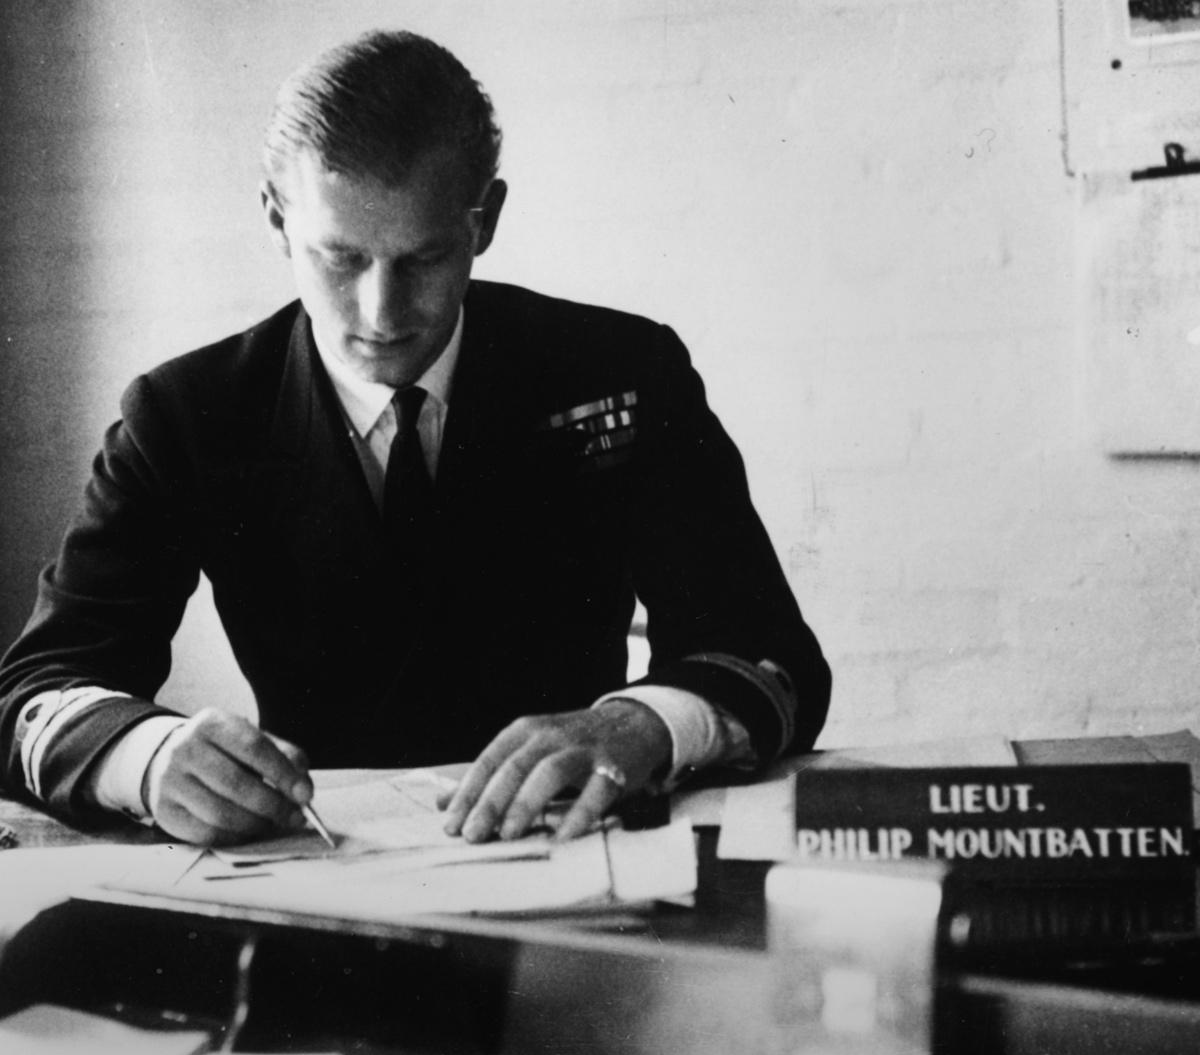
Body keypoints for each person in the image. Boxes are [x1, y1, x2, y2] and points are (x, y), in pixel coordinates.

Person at [0, 30, 831, 846]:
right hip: (312, 878)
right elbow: (32, 691)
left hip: (574, 853)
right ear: (275, 219)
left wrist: (644, 724)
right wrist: (147, 759)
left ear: (487, 219)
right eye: (340, 258)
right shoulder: (186, 413)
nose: (381, 314)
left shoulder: (621, 370)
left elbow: (773, 657)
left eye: (424, 258)